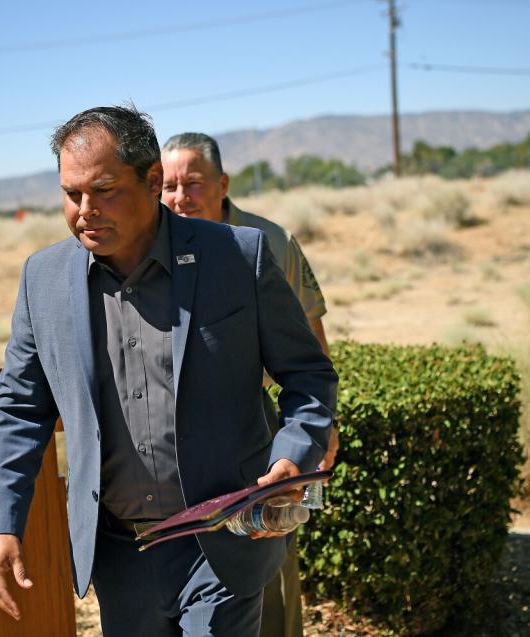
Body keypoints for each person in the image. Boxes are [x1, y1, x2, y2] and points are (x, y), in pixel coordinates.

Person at [0, 105, 338, 637]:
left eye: (103, 191)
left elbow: (308, 374)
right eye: (71, 194)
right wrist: (0, 525)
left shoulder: (239, 258)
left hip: (223, 540)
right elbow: (19, 409)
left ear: (151, 181)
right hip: (121, 554)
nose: (84, 211)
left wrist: (293, 454)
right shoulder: (44, 279)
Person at [161, 132, 335, 637]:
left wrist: (325, 426)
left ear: (222, 184)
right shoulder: (150, 242)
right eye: (169, 186)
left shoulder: (268, 241)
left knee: (268, 555)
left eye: (193, 184)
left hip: (255, 425)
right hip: (173, 440)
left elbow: (309, 341)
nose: (180, 197)